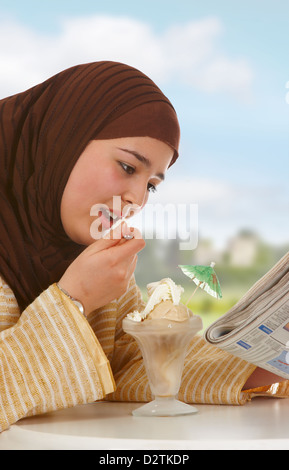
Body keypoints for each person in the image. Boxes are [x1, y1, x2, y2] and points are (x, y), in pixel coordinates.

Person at [0, 61, 287, 432]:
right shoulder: (87, 276)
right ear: (59, 140)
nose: (136, 198)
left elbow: (130, 364)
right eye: (127, 167)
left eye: (151, 185)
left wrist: (262, 364)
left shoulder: (88, 260)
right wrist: (75, 298)